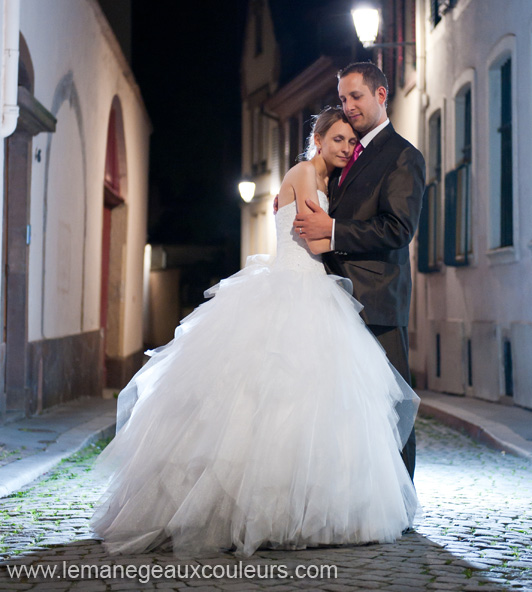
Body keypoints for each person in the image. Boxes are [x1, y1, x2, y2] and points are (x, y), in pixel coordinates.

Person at [90, 107, 419, 558]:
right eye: (337, 140)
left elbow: (325, 234)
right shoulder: (305, 173)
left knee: (319, 408)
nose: (345, 148)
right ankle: (260, 509)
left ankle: (312, 506)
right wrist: (344, 232)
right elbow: (314, 235)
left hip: (316, 289)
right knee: (270, 402)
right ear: (317, 140)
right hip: (293, 288)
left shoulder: (327, 183)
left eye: (349, 142)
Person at [294, 63, 426, 480]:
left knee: (391, 403)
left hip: (377, 301)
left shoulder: (403, 156)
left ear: (381, 95)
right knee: (344, 408)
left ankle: (400, 502)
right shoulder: (344, 154)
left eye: (357, 96)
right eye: (344, 98)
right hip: (333, 300)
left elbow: (398, 228)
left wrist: (331, 231)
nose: (348, 106)